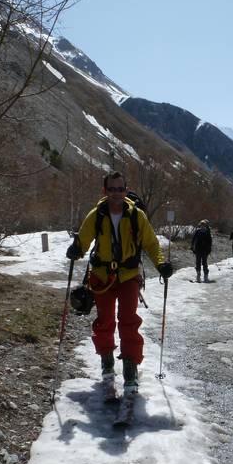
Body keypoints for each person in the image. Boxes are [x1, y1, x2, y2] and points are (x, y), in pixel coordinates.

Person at [66, 171, 173, 411]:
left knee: (128, 321)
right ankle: (107, 368)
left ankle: (130, 372)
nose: (117, 193)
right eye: (112, 189)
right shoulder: (96, 215)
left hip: (128, 277)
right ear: (105, 191)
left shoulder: (137, 216)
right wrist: (76, 250)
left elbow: (151, 243)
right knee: (104, 322)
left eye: (120, 189)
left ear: (126, 190)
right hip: (102, 277)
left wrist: (161, 263)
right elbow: (82, 241)